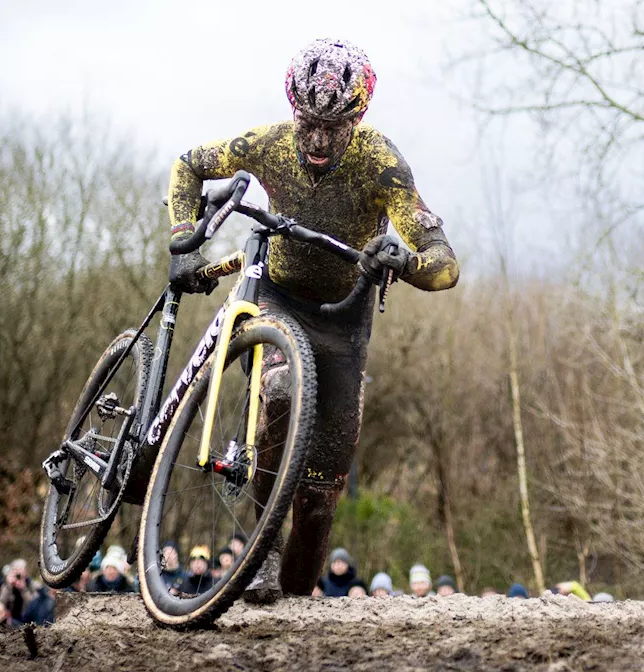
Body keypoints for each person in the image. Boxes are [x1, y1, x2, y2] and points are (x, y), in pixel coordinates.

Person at [166, 38, 459, 602]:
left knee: (323, 494)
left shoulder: (381, 163)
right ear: (293, 112)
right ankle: (263, 550)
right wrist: (184, 245)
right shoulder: (268, 144)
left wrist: (408, 260)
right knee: (279, 388)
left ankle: (298, 602)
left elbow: (444, 264)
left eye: (337, 127)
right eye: (309, 124)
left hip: (345, 321)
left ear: (358, 120)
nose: (320, 140)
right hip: (278, 297)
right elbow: (187, 167)